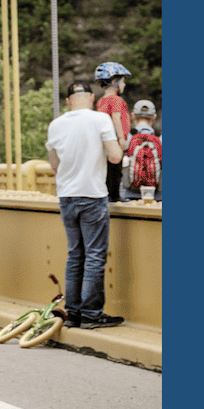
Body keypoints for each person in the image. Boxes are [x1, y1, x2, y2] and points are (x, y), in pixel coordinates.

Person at [47, 80, 124, 329]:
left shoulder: (56, 124)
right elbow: (115, 156)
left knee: (75, 256)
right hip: (92, 195)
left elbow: (54, 165)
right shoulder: (100, 120)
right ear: (91, 98)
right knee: (94, 257)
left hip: (66, 197)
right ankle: (91, 314)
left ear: (68, 101)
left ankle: (74, 312)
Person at [94, 62, 132, 202]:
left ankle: (107, 194)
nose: (124, 85)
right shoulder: (116, 100)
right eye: (123, 81)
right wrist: (121, 138)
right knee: (116, 168)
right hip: (114, 139)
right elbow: (116, 118)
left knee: (107, 169)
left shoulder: (101, 100)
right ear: (115, 81)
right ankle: (115, 196)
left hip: (103, 141)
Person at [120, 100, 161, 202]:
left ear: (133, 116)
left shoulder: (126, 138)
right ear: (153, 117)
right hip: (157, 196)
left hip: (129, 194)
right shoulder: (160, 138)